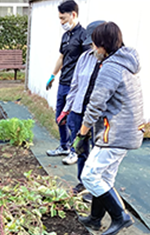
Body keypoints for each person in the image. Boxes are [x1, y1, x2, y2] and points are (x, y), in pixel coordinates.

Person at [75, 22, 144, 235]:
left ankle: (120, 217)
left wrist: (82, 134)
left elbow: (96, 104)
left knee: (89, 176)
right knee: (104, 177)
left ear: (103, 45)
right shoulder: (126, 62)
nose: (93, 49)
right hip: (128, 130)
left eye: (95, 44)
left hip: (115, 132)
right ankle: (95, 218)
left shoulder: (111, 68)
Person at [57, 21, 106, 202]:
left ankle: (96, 189)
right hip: (79, 111)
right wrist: (67, 109)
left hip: (100, 116)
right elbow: (75, 86)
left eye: (93, 42)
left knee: (98, 151)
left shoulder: (109, 62)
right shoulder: (85, 58)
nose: (90, 46)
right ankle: (82, 182)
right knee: (81, 148)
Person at [46, 0, 89, 157]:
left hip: (75, 86)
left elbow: (87, 61)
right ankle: (63, 146)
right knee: (60, 117)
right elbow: (62, 57)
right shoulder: (65, 36)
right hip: (63, 83)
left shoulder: (84, 36)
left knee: (72, 120)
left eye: (63, 18)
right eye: (60, 18)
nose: (61, 22)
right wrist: (52, 75)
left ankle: (74, 151)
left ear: (73, 15)